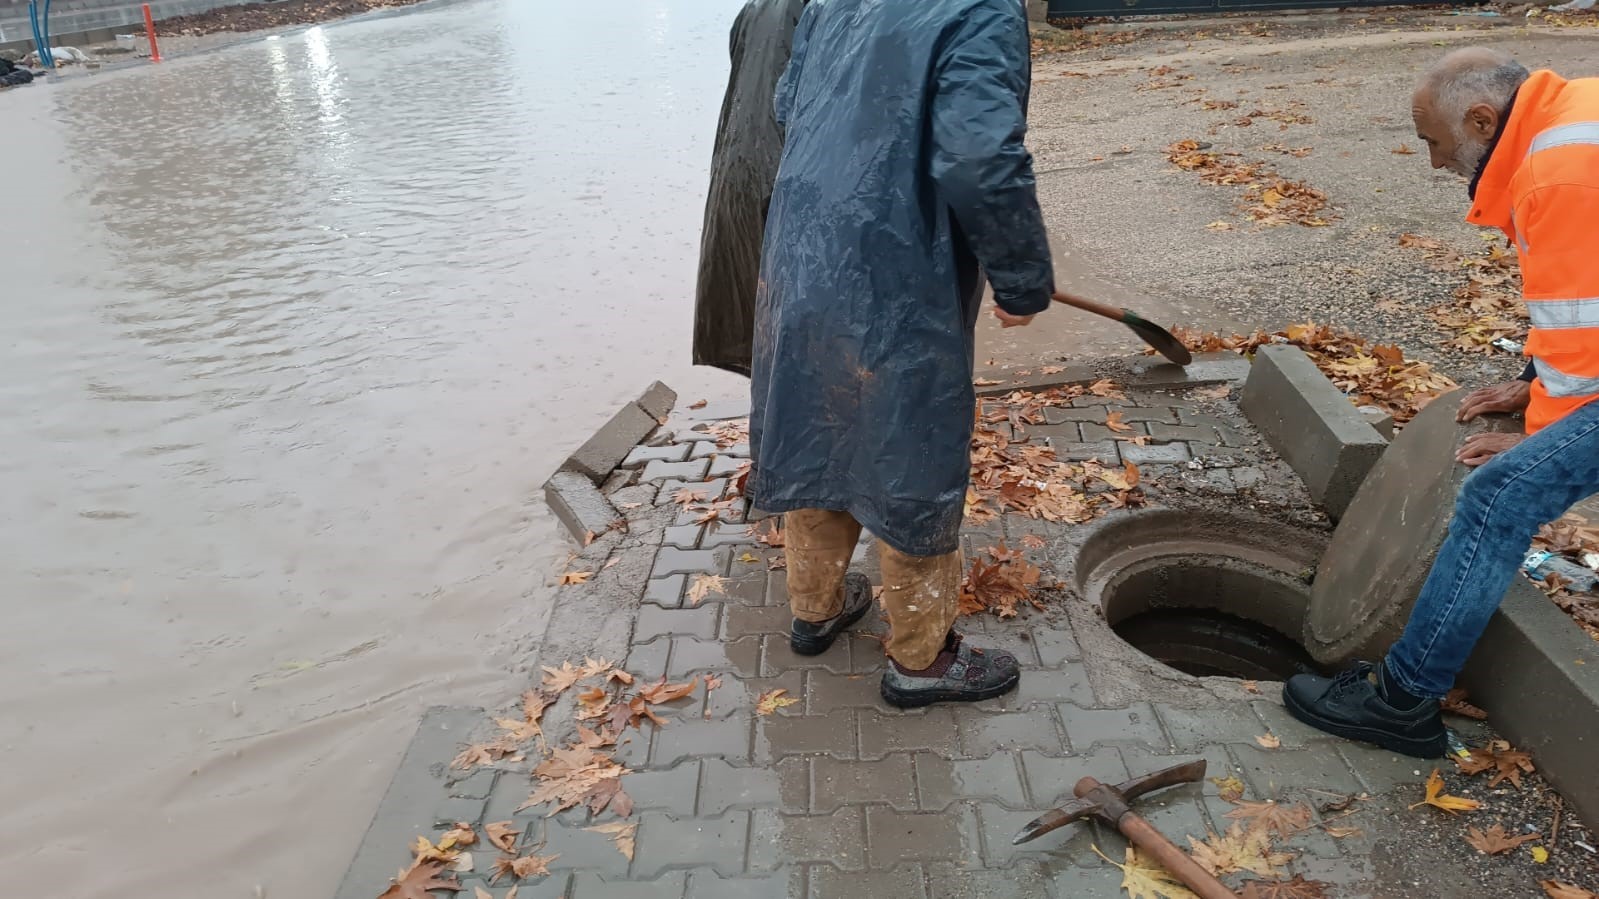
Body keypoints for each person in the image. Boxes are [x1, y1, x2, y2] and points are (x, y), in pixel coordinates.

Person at [1285, 48, 1599, 756]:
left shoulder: (1556, 171)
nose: (1432, 163)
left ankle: (1400, 702)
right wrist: (1532, 378)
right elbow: (1586, 294)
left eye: (1433, 141)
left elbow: (1583, 345)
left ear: (1483, 120)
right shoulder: (1574, 116)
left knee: (1497, 496)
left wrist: (1535, 435)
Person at [749, 0, 1055, 707]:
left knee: (816, 420)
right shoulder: (979, 9)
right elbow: (979, 157)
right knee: (911, 446)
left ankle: (814, 606)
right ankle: (922, 658)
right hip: (897, 265)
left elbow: (785, 103)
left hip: (804, 248)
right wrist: (1020, 275)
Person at [691, 0, 807, 377]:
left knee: (768, 343)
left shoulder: (756, 8)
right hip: (783, 182)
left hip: (739, 179)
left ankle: (774, 433)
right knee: (803, 343)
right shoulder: (826, 9)